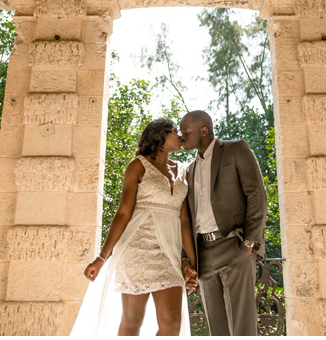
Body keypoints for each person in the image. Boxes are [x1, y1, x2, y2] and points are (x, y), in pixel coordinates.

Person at [71, 118, 197, 336]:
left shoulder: (183, 172)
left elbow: (184, 219)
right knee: (133, 321)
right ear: (161, 136)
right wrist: (101, 258)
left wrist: (192, 263)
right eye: (175, 131)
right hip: (137, 248)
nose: (181, 136)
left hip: (169, 253)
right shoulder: (138, 165)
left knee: (172, 323)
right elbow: (123, 213)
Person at [179, 110, 267, 336]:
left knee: (242, 326)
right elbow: (186, 217)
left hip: (234, 246)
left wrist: (249, 242)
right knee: (216, 328)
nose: (181, 137)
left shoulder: (236, 149)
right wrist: (186, 258)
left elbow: (256, 194)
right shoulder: (189, 170)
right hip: (204, 254)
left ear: (204, 130)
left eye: (185, 132)